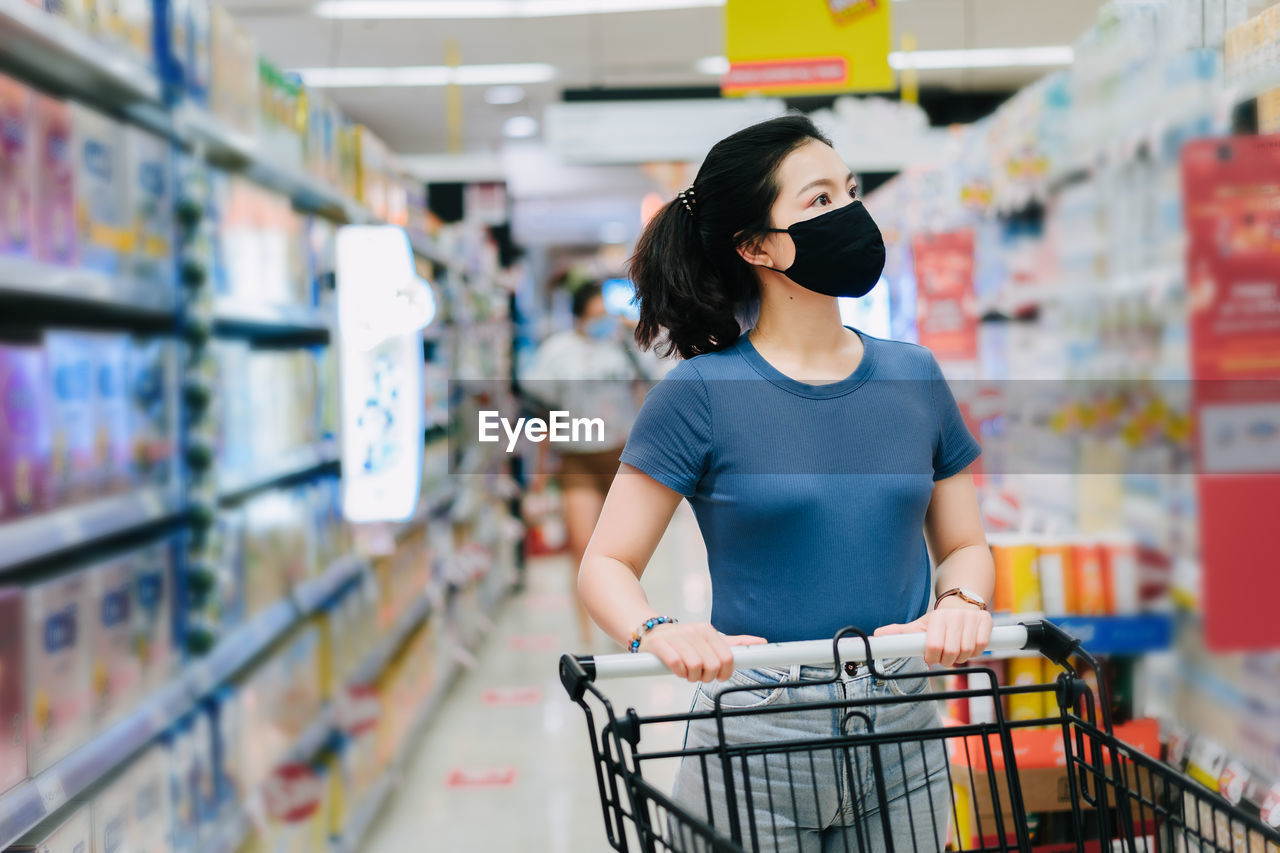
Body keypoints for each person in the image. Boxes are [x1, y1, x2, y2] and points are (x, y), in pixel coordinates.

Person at [576, 115, 996, 851]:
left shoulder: (914, 374)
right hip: (756, 737)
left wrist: (960, 600)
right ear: (756, 246)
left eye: (851, 190)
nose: (852, 213)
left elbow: (964, 543)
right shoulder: (701, 393)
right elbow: (606, 563)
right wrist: (657, 629)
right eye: (820, 199)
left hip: (904, 729)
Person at [524, 280, 649, 647]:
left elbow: (647, 391)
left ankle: (626, 627)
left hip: (621, 459)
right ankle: (586, 635)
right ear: (578, 316)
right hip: (576, 460)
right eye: (594, 315)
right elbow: (543, 416)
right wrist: (538, 475)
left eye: (604, 315)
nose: (601, 322)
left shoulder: (622, 349)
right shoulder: (556, 353)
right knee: (583, 551)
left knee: (626, 553)